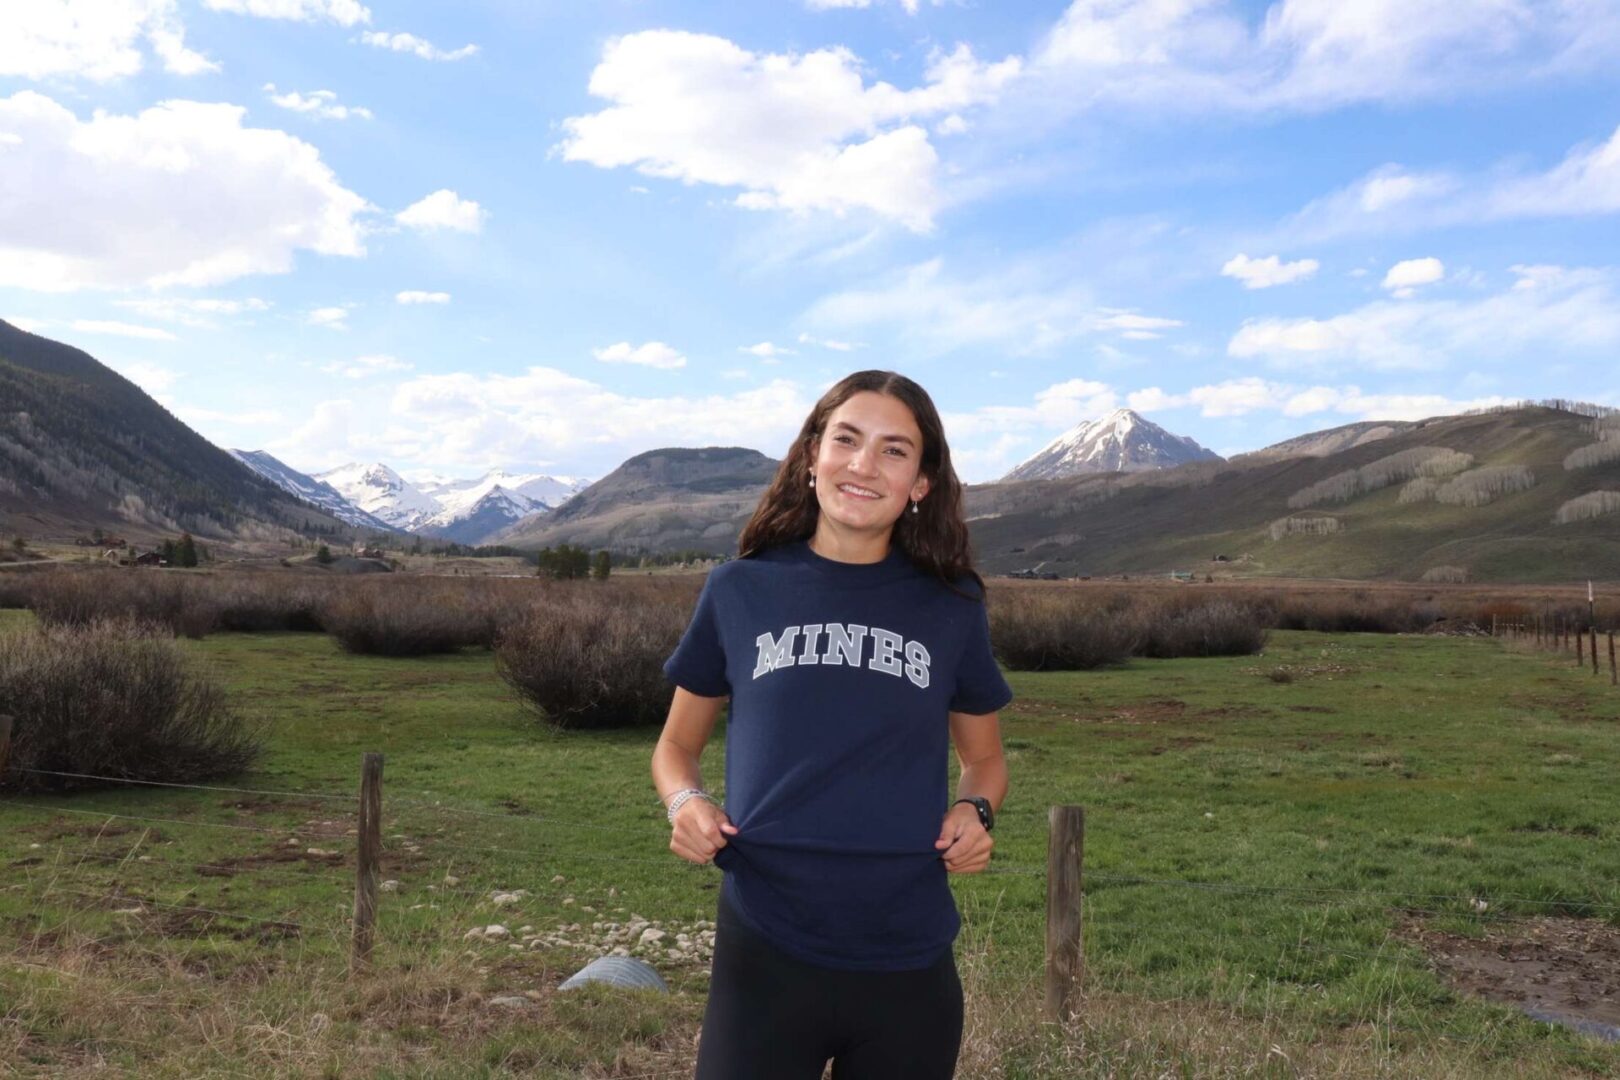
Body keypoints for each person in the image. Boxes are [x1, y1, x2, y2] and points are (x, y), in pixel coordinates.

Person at [651, 370, 1013, 1079]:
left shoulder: (951, 607)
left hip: (908, 961)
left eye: (894, 451)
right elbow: (674, 746)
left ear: (920, 484)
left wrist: (976, 811)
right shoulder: (740, 590)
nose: (863, 465)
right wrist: (684, 801)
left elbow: (986, 762)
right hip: (765, 946)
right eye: (847, 439)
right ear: (812, 454)